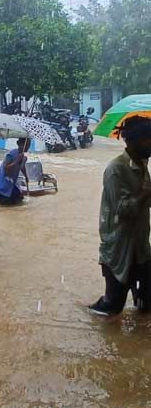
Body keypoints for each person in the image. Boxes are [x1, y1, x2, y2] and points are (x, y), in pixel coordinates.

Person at [88, 116, 151, 316]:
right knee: (112, 309)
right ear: (131, 140)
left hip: (141, 245)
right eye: (147, 139)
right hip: (119, 249)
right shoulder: (115, 169)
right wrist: (146, 192)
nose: (150, 144)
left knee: (146, 303)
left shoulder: (142, 165)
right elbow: (124, 210)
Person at [0, 138, 31, 206]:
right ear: (18, 144)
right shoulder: (11, 154)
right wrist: (16, 160)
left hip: (12, 185)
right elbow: (6, 169)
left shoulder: (24, 158)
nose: (27, 147)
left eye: (28, 145)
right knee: (4, 207)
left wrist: (26, 176)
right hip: (2, 185)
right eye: (26, 144)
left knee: (20, 201)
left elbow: (22, 167)